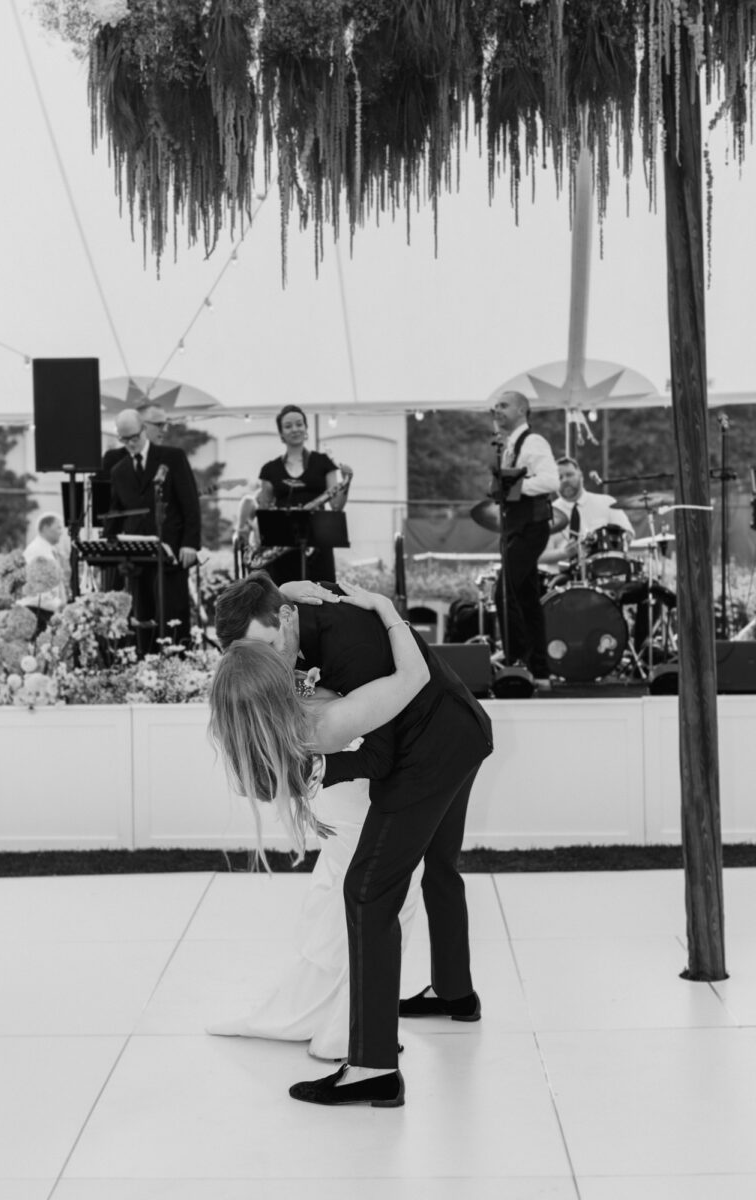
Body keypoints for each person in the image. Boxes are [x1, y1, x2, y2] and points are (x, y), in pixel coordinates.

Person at [213, 572, 494, 1109]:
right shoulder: (290, 615)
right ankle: (456, 994)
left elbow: (381, 757)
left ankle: (372, 1066)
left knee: (368, 891)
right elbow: (280, 598)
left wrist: (314, 772)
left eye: (267, 647)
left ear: (286, 620)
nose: (268, 663)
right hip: (462, 729)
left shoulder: (348, 645)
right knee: (438, 868)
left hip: (430, 751)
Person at [206, 663, 424, 1063]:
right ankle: (344, 1034)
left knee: (340, 904)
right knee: (389, 905)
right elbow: (383, 735)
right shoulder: (321, 712)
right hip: (357, 809)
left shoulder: (271, 724)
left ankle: (316, 1014)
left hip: (335, 810)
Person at [107, 409, 201, 653]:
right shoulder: (119, 471)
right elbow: (116, 514)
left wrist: (190, 543)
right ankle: (145, 662)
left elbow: (190, 503)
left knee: (173, 614)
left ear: (144, 431)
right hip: (137, 557)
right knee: (142, 616)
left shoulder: (172, 458)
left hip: (171, 551)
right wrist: (108, 545)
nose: (130, 444)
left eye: (134, 438)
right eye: (124, 439)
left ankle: (178, 662)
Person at [490, 391, 559, 684]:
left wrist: (514, 486)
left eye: (503, 405)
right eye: (496, 406)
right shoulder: (509, 446)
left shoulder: (533, 442)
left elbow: (551, 480)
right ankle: (539, 670)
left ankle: (517, 662)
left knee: (504, 593)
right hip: (517, 527)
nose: (497, 410)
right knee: (527, 598)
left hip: (531, 526)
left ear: (521, 410)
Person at [255, 405, 352, 585]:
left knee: (322, 593)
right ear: (281, 433)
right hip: (281, 547)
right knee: (284, 595)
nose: (295, 429)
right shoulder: (269, 469)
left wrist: (347, 481)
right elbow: (264, 509)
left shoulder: (323, 462)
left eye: (299, 424)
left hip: (319, 544)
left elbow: (336, 505)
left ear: (306, 428)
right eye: (288, 426)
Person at [539, 456, 634, 582]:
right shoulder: (546, 513)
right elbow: (538, 556)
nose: (565, 480)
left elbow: (628, 535)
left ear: (581, 475)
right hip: (560, 583)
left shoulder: (607, 502)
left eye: (569, 475)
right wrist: (564, 553)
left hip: (603, 578)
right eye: (559, 477)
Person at [18, 512, 69, 633]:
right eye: (58, 527)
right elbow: (38, 583)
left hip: (45, 608)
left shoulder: (47, 549)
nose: (61, 532)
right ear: (46, 528)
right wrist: (58, 603)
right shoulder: (37, 550)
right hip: (37, 609)